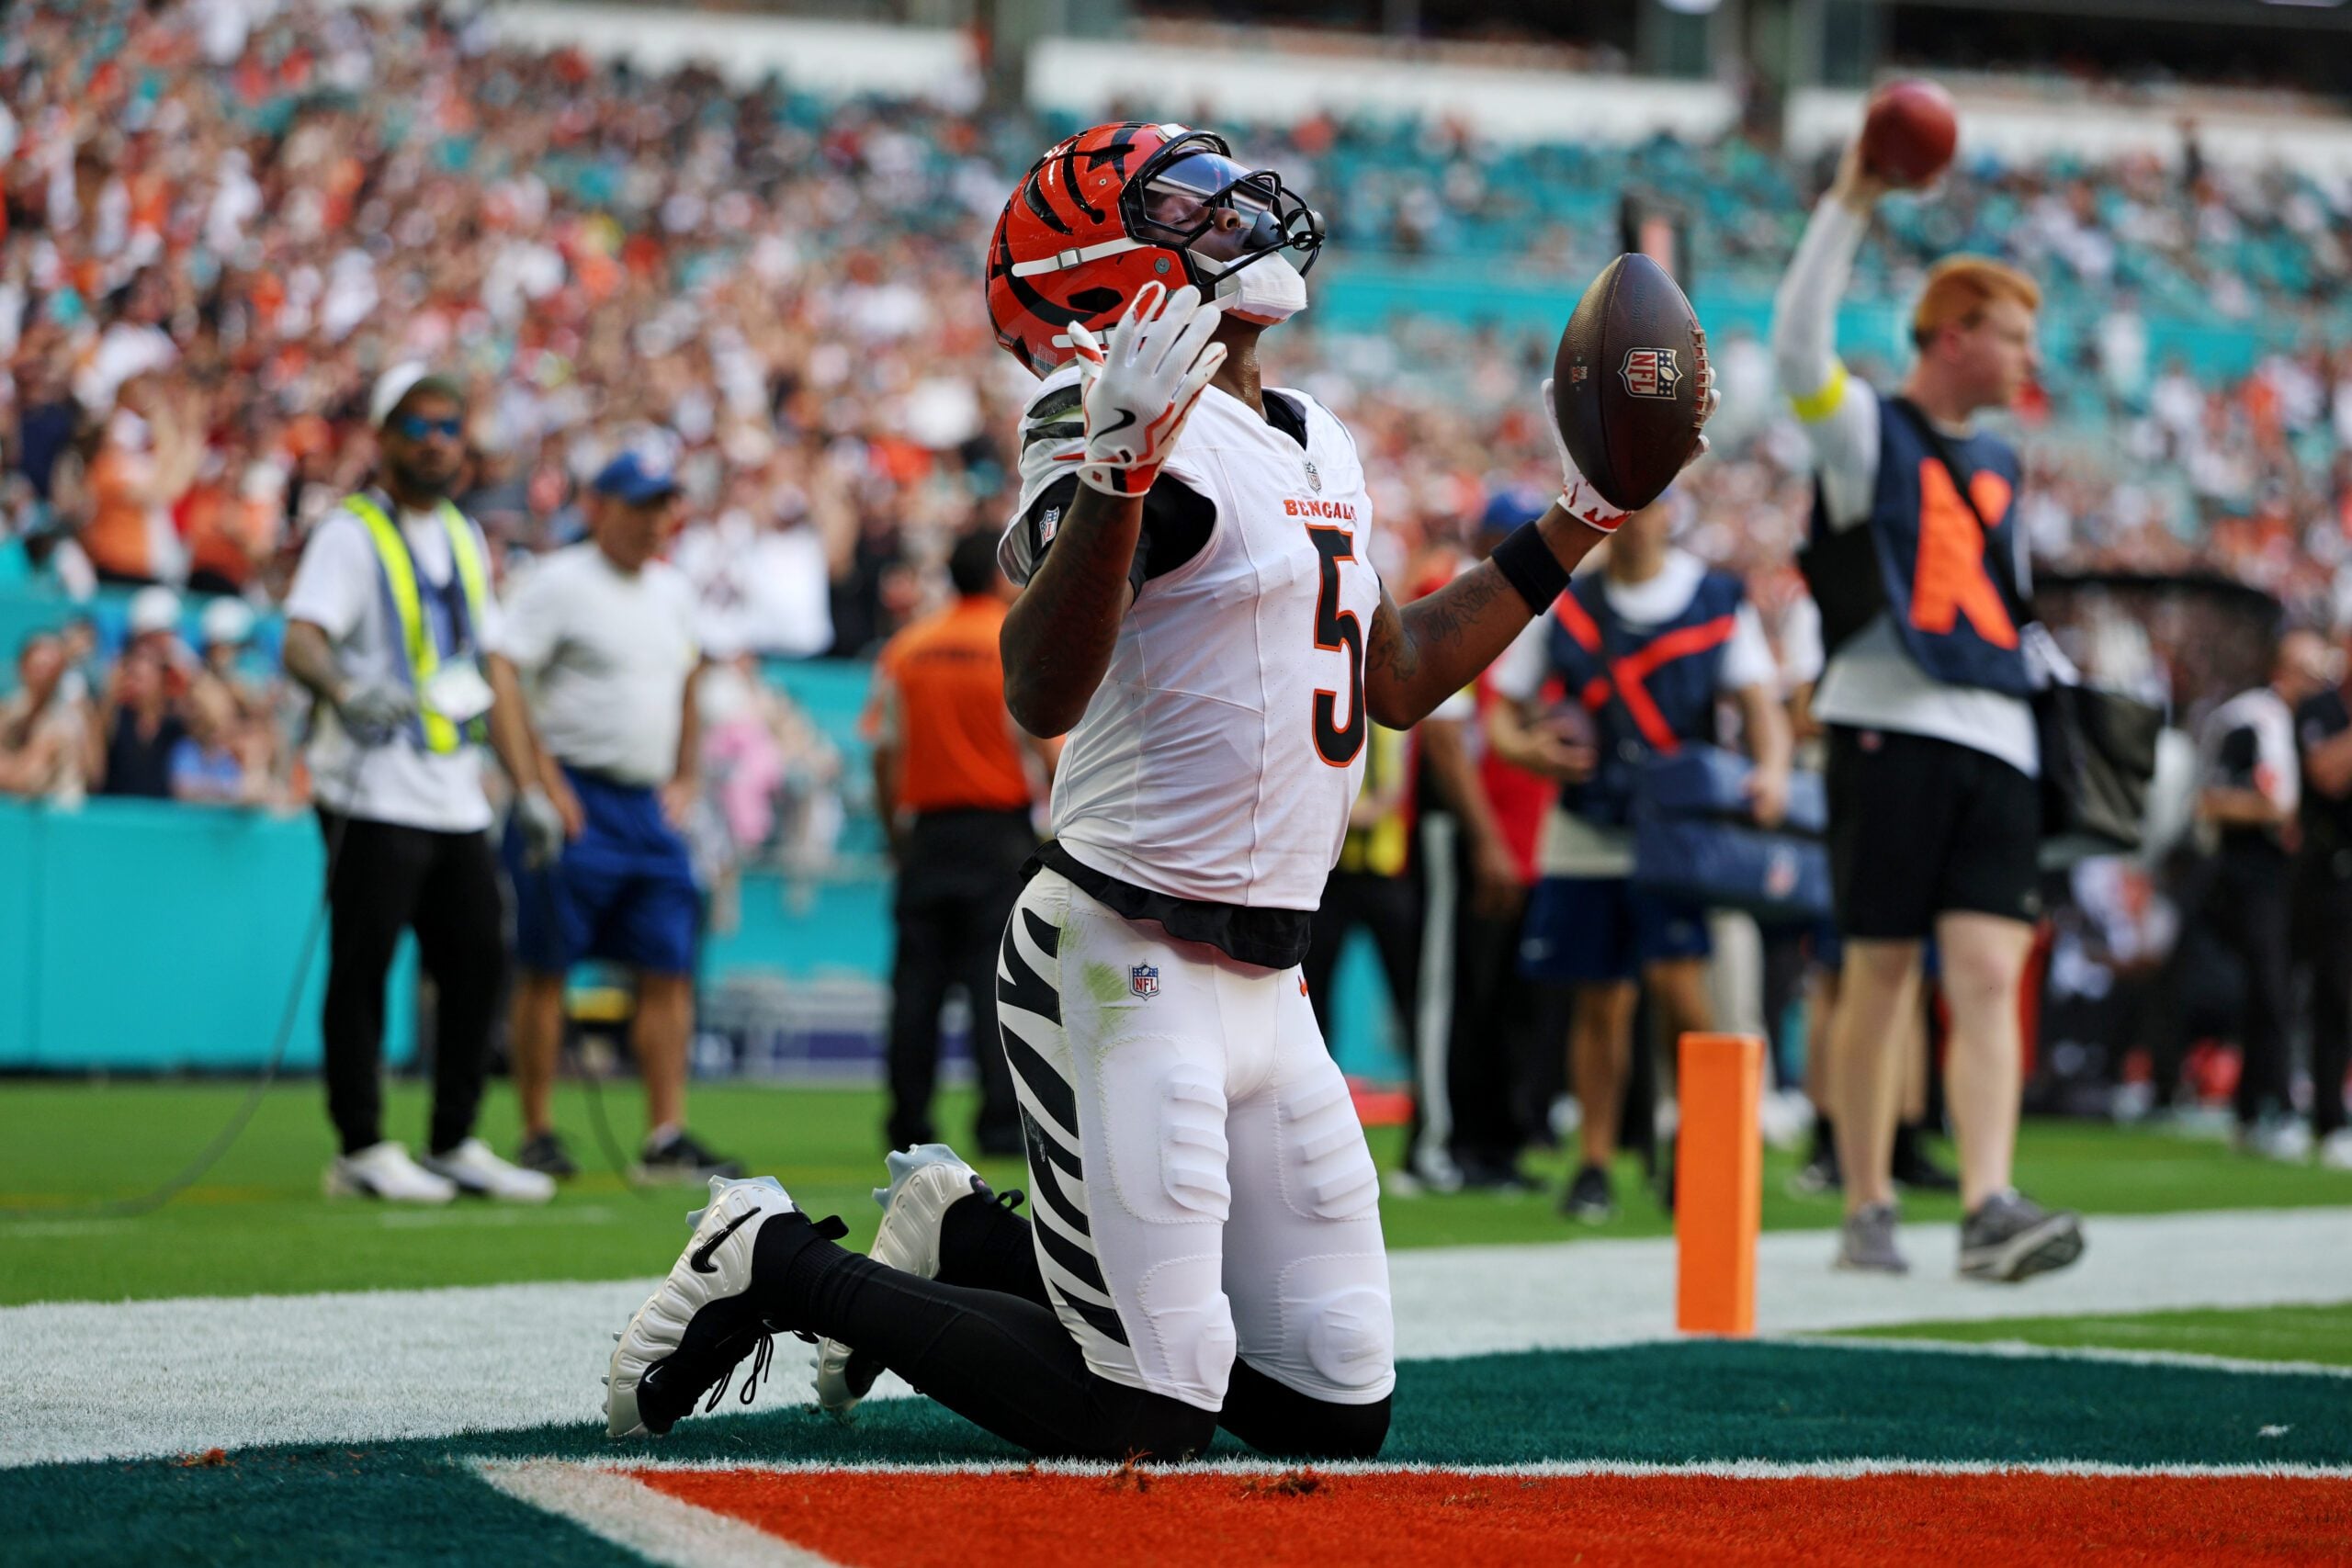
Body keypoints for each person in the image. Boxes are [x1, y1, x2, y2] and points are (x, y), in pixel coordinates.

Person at [605, 119, 1711, 1461]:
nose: (1235, 208)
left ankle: (960, 1233)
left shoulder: (1315, 437)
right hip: (1120, 950)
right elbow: (1042, 686)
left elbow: (1400, 676)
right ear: (1105, 273)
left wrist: (1585, 512)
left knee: (1334, 1400)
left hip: (1267, 980)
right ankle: (774, 1258)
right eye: (1187, 199)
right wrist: (1117, 475)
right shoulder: (1099, 418)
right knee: (1148, 1409)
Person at [1773, 138, 2084, 1280]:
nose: (2027, 356)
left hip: (1995, 729)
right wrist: (1853, 200)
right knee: (1881, 970)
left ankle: (1988, 1199)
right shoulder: (1864, 432)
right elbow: (1797, 343)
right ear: (1953, 335)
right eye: (2011, 334)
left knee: (1992, 974)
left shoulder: (2001, 462)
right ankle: (1865, 1200)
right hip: (1885, 724)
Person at [280, 364, 557, 1206]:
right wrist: (343, 687)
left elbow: (494, 672)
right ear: (384, 437)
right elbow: (300, 639)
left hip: (452, 790)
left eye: (449, 426)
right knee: (365, 965)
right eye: (419, 425)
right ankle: (361, 1143)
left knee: (478, 959)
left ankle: (453, 1138)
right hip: (368, 788)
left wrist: (528, 785)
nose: (438, 440)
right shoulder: (350, 532)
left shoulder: (468, 538)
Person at [1487, 496, 1792, 1221]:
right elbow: (1502, 708)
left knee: (1684, 994)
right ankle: (1594, 1160)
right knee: (1598, 999)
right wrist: (1528, 748)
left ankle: (1696, 1143)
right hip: (1592, 823)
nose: (1635, 520)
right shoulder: (1569, 601)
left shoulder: (1713, 599)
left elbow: (1760, 705)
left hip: (1678, 831)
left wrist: (1772, 768)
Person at [493, 436, 741, 1184]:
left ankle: (664, 1133)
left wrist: (688, 774)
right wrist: (537, 780)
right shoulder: (557, 581)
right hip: (577, 793)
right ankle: (537, 1128)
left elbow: (691, 674)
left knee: (668, 967)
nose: (656, 519)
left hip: (646, 806)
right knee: (545, 965)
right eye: (641, 505)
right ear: (597, 507)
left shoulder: (670, 590)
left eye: (664, 504)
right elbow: (505, 671)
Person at [863, 527, 1056, 1158]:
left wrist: (898, 834)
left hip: (929, 835)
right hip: (998, 835)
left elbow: (885, 756)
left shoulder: (908, 647)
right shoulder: (1012, 641)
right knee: (994, 988)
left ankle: (908, 1124)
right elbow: (1047, 749)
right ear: (1002, 577)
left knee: (915, 992)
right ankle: (1000, 1124)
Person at [2175, 631, 2326, 1159]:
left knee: (2275, 989)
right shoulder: (2250, 720)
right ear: (2284, 672)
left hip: (2285, 874)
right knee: (2269, 988)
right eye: (2310, 674)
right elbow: (2209, 800)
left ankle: (2251, 1108)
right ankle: (2274, 1107)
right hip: (2245, 868)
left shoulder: (2296, 727)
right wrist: (2277, 814)